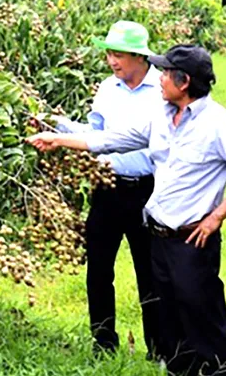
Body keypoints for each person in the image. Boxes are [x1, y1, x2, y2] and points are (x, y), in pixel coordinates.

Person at [27, 45, 226, 376]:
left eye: (165, 72)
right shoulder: (161, 116)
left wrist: (216, 217)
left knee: (202, 320)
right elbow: (110, 139)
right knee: (168, 317)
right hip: (157, 234)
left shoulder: (220, 125)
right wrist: (57, 138)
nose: (158, 78)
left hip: (192, 239)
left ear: (183, 81)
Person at [53, 20, 166, 358]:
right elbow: (94, 133)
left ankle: (158, 350)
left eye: (119, 55)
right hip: (106, 188)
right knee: (99, 269)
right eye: (110, 55)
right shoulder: (106, 88)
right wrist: (55, 125)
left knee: (150, 273)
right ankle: (103, 344)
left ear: (139, 57)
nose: (113, 62)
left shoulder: (162, 90)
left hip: (147, 191)